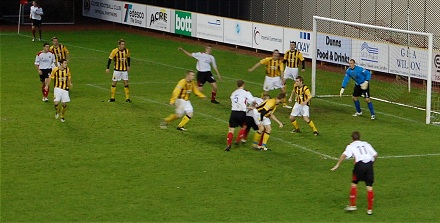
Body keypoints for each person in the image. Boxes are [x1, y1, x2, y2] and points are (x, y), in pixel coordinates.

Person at [331, 131, 378, 215]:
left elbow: (344, 155)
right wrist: (372, 163)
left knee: (354, 183)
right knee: (369, 187)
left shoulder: (351, 146)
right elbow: (375, 154)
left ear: (352, 138)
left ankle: (353, 205)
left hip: (359, 165)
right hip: (369, 165)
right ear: (359, 137)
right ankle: (369, 210)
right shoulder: (366, 144)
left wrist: (337, 165)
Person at [225, 80, 255, 151]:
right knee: (244, 126)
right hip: (241, 112)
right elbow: (253, 101)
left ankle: (228, 145)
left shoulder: (233, 93)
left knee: (231, 130)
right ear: (243, 85)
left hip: (233, 112)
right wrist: (251, 106)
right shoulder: (246, 92)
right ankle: (238, 140)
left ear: (237, 85)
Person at [283, 41, 306, 108]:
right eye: (291, 45)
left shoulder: (298, 53)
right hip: (287, 68)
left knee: (296, 82)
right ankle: (284, 99)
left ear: (295, 46)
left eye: (293, 45)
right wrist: (281, 65)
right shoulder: (287, 52)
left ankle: (296, 96)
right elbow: (284, 60)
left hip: (294, 69)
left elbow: (303, 60)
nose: (292, 46)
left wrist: (303, 67)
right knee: (283, 81)